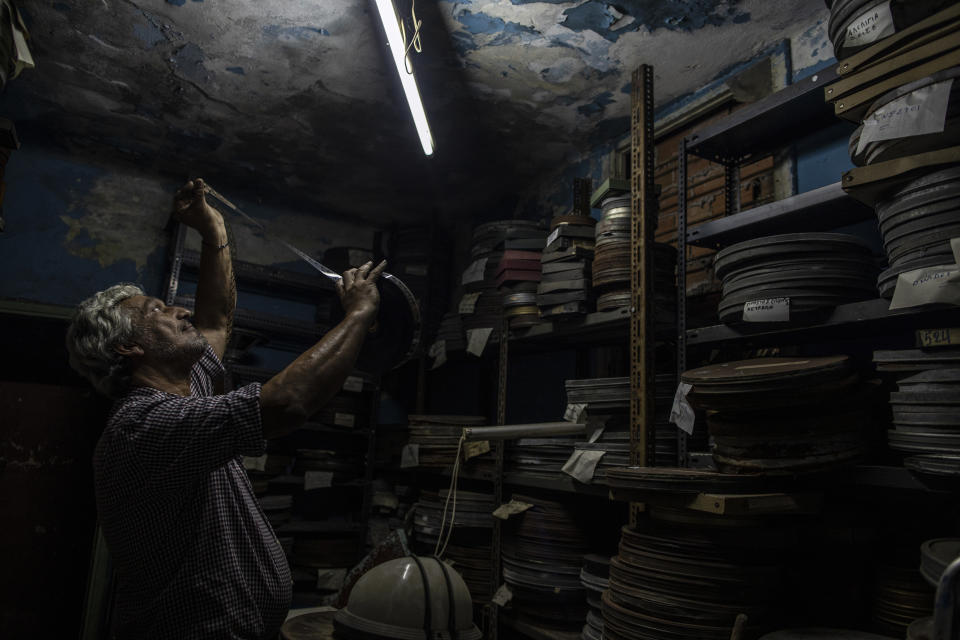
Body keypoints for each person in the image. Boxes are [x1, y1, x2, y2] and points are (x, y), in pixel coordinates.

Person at [65, 178, 386, 639]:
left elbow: (215, 319)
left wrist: (212, 228)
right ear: (127, 347)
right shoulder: (143, 425)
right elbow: (287, 403)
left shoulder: (187, 386)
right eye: (159, 308)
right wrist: (357, 316)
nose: (179, 309)